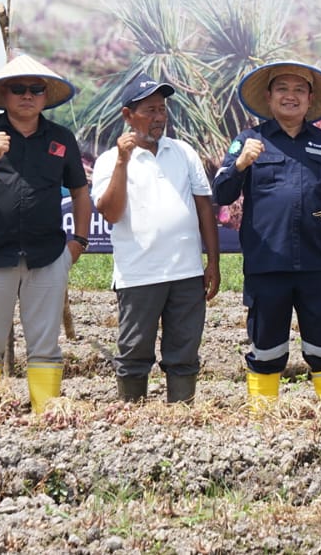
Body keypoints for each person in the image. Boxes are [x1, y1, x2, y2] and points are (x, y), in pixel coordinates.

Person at [0, 53, 91, 412]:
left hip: (46, 256)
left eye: (35, 89)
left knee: (45, 344)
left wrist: (79, 241)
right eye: (18, 89)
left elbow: (79, 190)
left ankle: (46, 414)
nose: (27, 95)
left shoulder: (60, 137)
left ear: (45, 96)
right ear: (4, 94)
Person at [214, 62, 321, 413]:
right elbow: (221, 193)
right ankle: (264, 424)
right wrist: (241, 164)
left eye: (299, 90)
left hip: (317, 264)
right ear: (269, 97)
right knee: (266, 349)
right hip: (266, 264)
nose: (290, 96)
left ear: (310, 99)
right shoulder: (248, 141)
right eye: (282, 89)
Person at [93, 72, 220, 404]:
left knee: (185, 350)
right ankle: (132, 416)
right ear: (127, 116)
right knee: (134, 350)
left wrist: (213, 263)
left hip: (186, 272)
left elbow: (205, 208)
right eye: (149, 110)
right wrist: (123, 160)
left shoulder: (183, 152)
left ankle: (180, 415)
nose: (159, 117)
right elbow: (110, 211)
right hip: (139, 274)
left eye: (162, 109)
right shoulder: (109, 160)